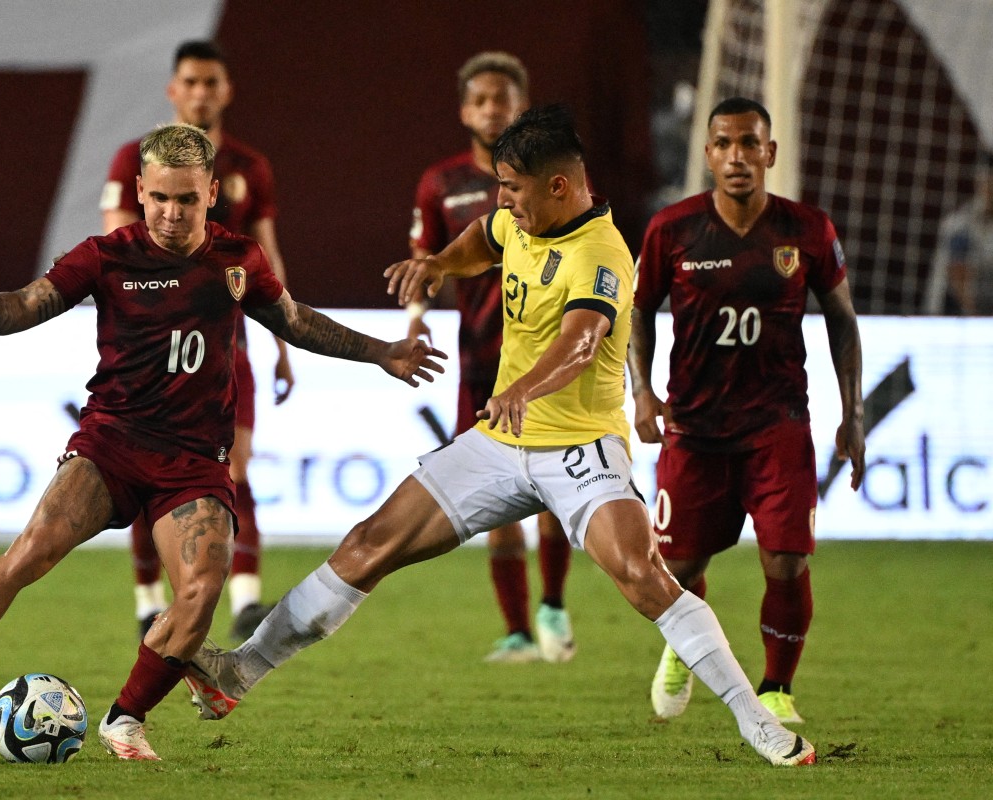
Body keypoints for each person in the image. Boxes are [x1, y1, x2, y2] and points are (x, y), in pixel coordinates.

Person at [183, 105, 817, 767]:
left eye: (513, 189)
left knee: (642, 576)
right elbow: (483, 240)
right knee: (370, 543)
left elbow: (581, 342)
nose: (503, 201)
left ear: (560, 187)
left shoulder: (601, 253)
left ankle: (758, 722)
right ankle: (239, 673)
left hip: (579, 447)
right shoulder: (521, 222)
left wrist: (523, 388)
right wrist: (438, 265)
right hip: (500, 443)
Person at [0, 123, 446, 761]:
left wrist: (381, 353)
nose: (171, 214)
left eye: (187, 200)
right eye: (160, 199)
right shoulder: (104, 255)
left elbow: (295, 320)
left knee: (202, 591)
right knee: (29, 553)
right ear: (141, 191)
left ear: (210, 195)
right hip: (111, 444)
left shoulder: (237, 261)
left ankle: (125, 721)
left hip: (194, 462)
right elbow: (25, 308)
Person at [628, 97, 866, 726]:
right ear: (708, 155)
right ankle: (683, 649)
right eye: (725, 144)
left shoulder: (808, 230)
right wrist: (642, 392)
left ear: (770, 153)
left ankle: (776, 688)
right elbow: (637, 311)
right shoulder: (671, 229)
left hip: (777, 424)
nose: (738, 156)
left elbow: (842, 321)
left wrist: (854, 413)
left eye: (750, 144)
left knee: (786, 558)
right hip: (695, 429)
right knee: (677, 568)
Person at [102, 40, 292, 641]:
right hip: (151, 345)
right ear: (172, 90)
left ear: (226, 90)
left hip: (228, 342)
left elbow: (266, 251)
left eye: (212, 82)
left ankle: (246, 602)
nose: (202, 92)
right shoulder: (132, 157)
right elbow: (116, 242)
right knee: (144, 472)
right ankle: (146, 598)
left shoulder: (248, 166)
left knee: (233, 468)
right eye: (192, 81)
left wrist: (284, 336)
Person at [408, 51, 575, 665]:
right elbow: (426, 265)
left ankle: (553, 602)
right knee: (500, 501)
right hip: (481, 362)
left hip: (547, 360)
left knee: (555, 491)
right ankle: (518, 633)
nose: (490, 110)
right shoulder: (441, 183)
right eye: (479, 100)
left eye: (502, 99)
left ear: (522, 106)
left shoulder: (554, 178)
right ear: (463, 110)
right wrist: (415, 322)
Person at [924, 149, 993, 315]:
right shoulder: (960, 225)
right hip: (954, 315)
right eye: (988, 182)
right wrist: (977, 319)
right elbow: (958, 276)